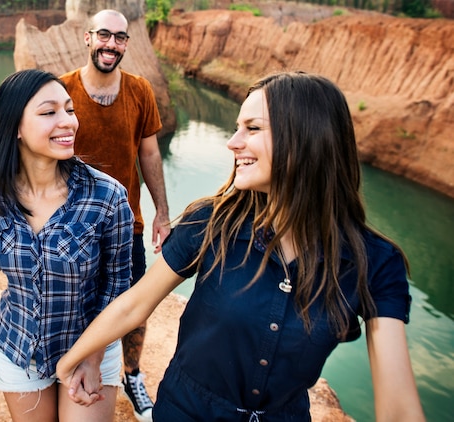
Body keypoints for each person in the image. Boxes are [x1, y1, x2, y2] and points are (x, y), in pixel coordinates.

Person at [56, 71, 426, 421]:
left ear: (306, 136)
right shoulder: (209, 221)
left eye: (252, 128)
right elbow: (135, 304)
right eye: (237, 128)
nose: (233, 142)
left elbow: (398, 408)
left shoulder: (375, 263)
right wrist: (78, 356)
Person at [0, 69, 134, 422]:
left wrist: (94, 355)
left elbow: (117, 287)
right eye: (49, 112)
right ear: (16, 128)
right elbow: (1, 246)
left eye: (69, 110)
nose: (68, 122)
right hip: (19, 346)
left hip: (88, 347)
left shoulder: (107, 197)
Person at [59, 9, 170, 421]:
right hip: (72, 227)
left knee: (134, 307)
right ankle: (70, 367)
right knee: (74, 304)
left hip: (128, 226)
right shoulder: (63, 91)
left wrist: (162, 213)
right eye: (103, 35)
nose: (111, 44)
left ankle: (132, 373)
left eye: (120, 38)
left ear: (127, 43)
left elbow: (150, 153)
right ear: (87, 38)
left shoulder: (140, 91)